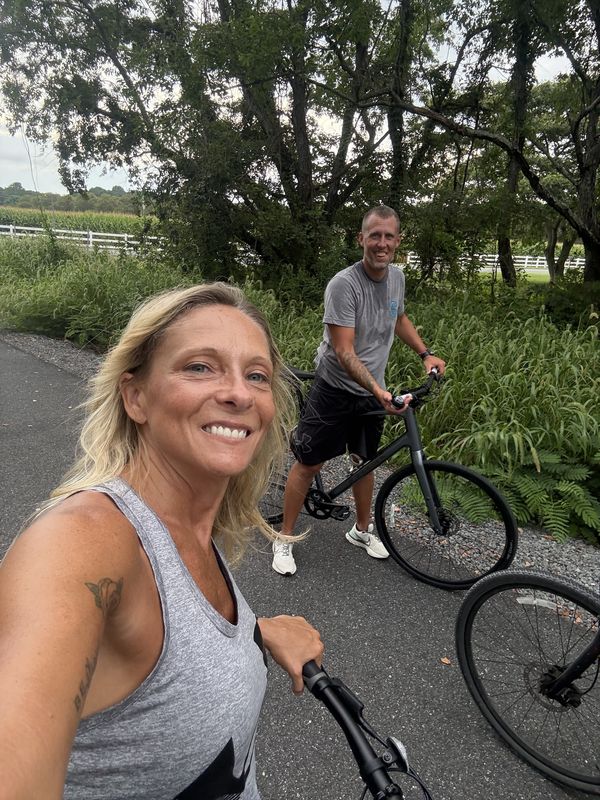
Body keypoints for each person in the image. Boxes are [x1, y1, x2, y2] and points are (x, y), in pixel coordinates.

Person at [0, 283, 323, 799]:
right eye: (200, 366)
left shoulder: (192, 527)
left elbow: (163, 646)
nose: (239, 393)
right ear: (136, 397)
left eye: (256, 375)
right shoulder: (81, 543)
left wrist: (252, 636)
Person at [272, 205, 446, 576]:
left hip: (373, 389)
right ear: (361, 239)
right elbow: (343, 350)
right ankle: (284, 537)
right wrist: (378, 391)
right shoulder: (343, 285)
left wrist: (425, 354)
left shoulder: (396, 277)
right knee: (309, 462)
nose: (381, 243)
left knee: (365, 461)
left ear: (398, 241)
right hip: (335, 387)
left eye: (388, 236)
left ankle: (361, 530)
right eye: (374, 235)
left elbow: (398, 317)